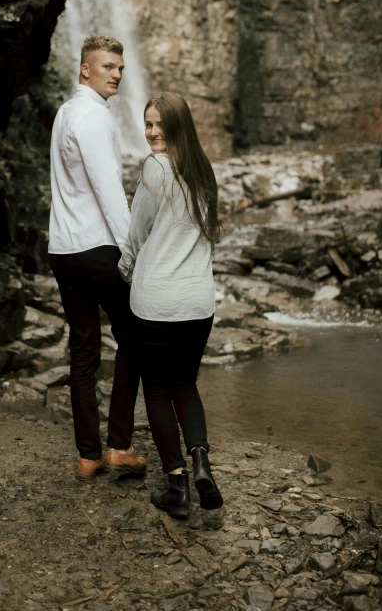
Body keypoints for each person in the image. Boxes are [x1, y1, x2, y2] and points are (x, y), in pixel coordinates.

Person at [118, 92, 223, 518]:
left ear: (180, 126)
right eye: (147, 124)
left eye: (161, 124)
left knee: (158, 390)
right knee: (186, 384)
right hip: (198, 303)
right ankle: (202, 465)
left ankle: (177, 485)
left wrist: (125, 270)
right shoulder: (204, 170)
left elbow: (137, 231)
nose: (153, 132)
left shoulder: (155, 167)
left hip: (157, 301)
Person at [48, 35, 146, 481]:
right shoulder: (93, 117)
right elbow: (110, 192)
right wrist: (134, 252)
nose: (117, 74)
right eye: (108, 66)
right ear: (85, 69)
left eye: (121, 68)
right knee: (136, 336)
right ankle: (118, 446)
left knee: (84, 349)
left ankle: (88, 454)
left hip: (64, 251)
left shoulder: (65, 113)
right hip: (97, 248)